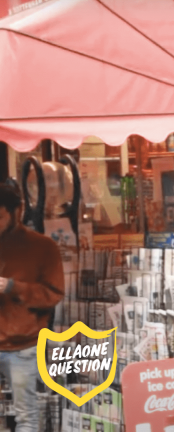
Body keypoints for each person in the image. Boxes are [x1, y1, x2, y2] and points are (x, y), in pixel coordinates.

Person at [0, 183, 65, 432]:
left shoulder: (43, 247)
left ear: (18, 212)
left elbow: (53, 294)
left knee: (26, 416)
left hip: (23, 346)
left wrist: (13, 287)